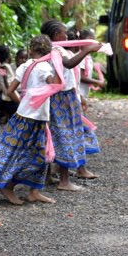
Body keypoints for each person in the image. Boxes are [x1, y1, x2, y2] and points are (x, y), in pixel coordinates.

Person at [0, 35, 57, 205]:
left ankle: (34, 191)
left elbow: (10, 91)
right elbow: (53, 84)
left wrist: (24, 103)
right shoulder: (45, 67)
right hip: (34, 118)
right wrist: (60, 66)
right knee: (28, 153)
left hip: (25, 114)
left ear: (31, 50)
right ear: (48, 51)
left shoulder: (25, 65)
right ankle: (8, 186)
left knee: (35, 153)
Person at [40, 19, 102, 191]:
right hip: (63, 98)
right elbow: (69, 63)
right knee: (65, 134)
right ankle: (64, 181)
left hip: (54, 97)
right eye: (63, 32)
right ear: (54, 35)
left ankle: (48, 177)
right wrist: (87, 49)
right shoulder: (57, 49)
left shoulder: (47, 50)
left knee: (54, 135)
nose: (66, 35)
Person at [78, 28, 105, 113]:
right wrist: (97, 82)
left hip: (83, 93)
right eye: (89, 41)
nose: (92, 44)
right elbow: (81, 77)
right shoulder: (80, 57)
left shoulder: (87, 56)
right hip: (78, 93)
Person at [0, 45, 18, 123]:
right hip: (9, 95)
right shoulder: (5, 67)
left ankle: (5, 116)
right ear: (8, 57)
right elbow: (6, 80)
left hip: (5, 94)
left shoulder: (0, 66)